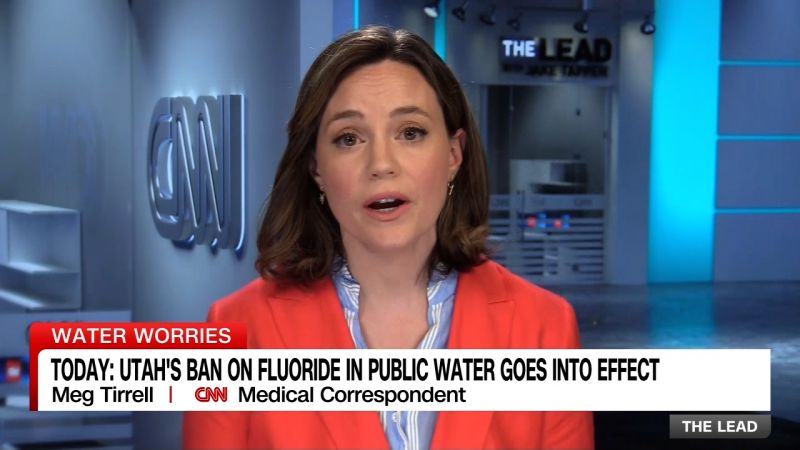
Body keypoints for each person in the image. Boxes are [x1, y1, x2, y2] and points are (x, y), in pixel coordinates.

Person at [183, 26, 593, 450]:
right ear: (316, 169)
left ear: (454, 155)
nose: (381, 163)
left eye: (410, 132)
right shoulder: (235, 330)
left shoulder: (546, 327)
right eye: (349, 138)